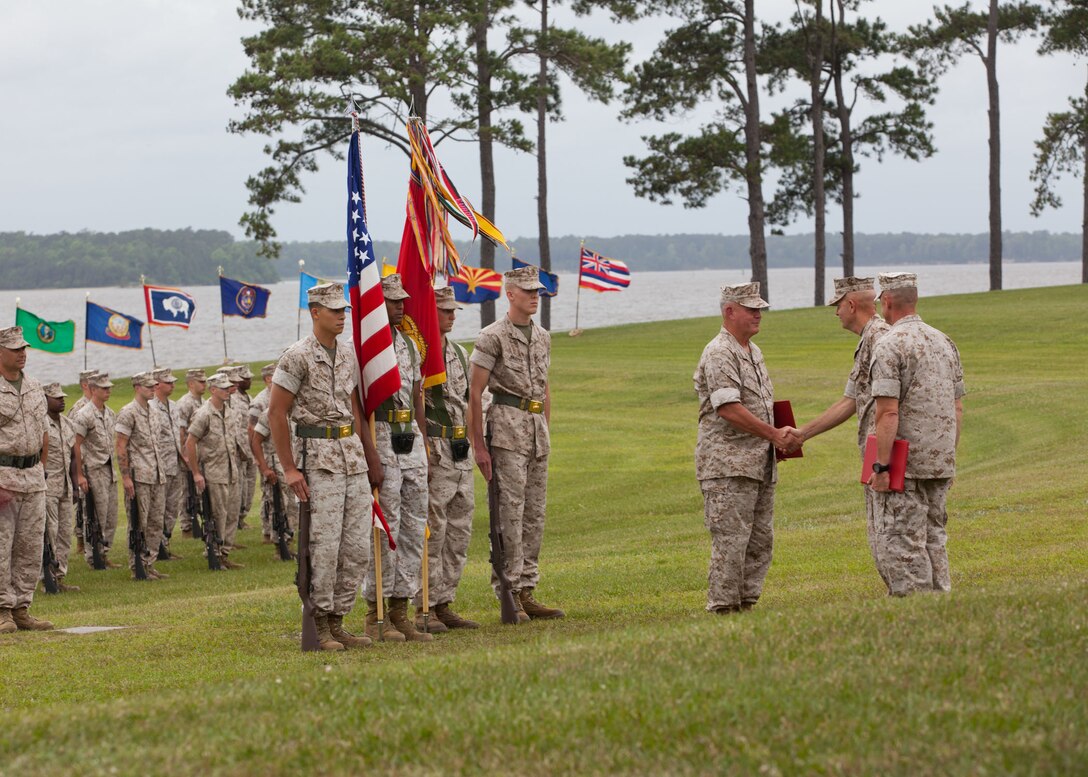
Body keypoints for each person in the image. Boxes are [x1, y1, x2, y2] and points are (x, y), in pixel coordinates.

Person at [269, 281, 383, 651]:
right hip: (316, 459)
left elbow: (354, 407)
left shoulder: (348, 354)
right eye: (334, 310)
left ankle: (338, 620)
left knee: (356, 546)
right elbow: (276, 413)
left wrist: (370, 455)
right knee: (324, 545)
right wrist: (288, 468)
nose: (341, 316)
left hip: (350, 457)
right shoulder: (296, 356)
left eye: (344, 310)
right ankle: (317, 623)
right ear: (314, 312)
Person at [693, 282, 800, 615]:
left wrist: (776, 439)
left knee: (759, 540)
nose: (758, 315)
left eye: (760, 309)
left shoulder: (753, 351)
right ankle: (724, 608)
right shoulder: (719, 351)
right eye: (751, 309)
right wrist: (774, 434)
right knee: (731, 541)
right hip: (728, 464)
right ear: (729, 311)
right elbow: (728, 408)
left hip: (758, 464)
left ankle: (747, 603)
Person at [469, 266, 564, 622]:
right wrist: (479, 447)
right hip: (506, 430)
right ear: (509, 294)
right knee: (508, 514)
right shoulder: (491, 336)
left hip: (536, 432)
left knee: (534, 515)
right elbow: (475, 393)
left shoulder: (542, 336)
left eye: (537, 291)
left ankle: (527, 589)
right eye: (527, 291)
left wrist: (546, 427)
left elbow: (544, 387)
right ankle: (508, 592)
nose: (534, 296)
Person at [867, 272, 966, 596]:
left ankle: (915, 606)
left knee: (903, 538)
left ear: (887, 301)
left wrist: (880, 466)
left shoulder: (889, 345)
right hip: (940, 459)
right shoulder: (944, 341)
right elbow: (958, 408)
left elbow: (887, 411)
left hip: (904, 463)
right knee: (934, 535)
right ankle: (941, 600)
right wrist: (948, 455)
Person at [794, 276, 891, 584]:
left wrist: (882, 461)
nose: (836, 313)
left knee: (889, 530)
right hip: (875, 448)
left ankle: (908, 597)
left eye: (837, 306)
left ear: (850, 304)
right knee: (879, 529)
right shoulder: (868, 341)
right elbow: (850, 401)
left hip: (886, 449)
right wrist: (802, 434)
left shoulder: (881, 340)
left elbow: (889, 408)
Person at [362, 273, 432, 642]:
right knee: (384, 529)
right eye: (391, 300)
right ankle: (377, 612)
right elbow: (361, 407)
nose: (400, 305)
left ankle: (401, 609)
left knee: (412, 525)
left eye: (402, 299)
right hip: (383, 438)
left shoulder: (409, 345)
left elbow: (417, 397)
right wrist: (370, 452)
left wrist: (425, 446)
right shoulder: (367, 348)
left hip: (411, 442)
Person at [421, 286, 479, 630]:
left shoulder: (458, 353)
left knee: (459, 531)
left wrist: (473, 443)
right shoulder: (422, 353)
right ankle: (424, 604)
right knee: (435, 530)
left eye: (454, 310)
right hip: (437, 450)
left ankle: (445, 602)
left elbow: (469, 403)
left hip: (460, 452)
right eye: (445, 310)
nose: (451, 316)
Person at [0, 326, 52, 632]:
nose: (23, 354)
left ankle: (21, 607)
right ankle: (2, 609)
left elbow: (43, 430)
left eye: (24, 348)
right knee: (2, 546)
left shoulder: (33, 386)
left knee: (30, 546)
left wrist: (41, 468)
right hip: (3, 478)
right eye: (16, 349)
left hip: (33, 478)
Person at [185, 372, 244, 570]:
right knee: (218, 515)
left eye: (229, 387)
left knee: (232, 514)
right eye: (224, 388)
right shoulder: (203, 414)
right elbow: (190, 442)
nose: (228, 391)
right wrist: (196, 473)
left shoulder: (230, 411)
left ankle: (225, 552)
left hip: (231, 471)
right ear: (212, 390)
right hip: (213, 471)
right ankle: (215, 553)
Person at [115, 372, 168, 580]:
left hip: (157, 474)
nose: (153, 390)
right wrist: (126, 477)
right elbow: (121, 446)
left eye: (154, 386)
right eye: (148, 387)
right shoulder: (128, 412)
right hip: (139, 476)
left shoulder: (154, 412)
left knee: (156, 521)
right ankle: (136, 565)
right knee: (139, 523)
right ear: (137, 387)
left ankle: (150, 563)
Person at [72, 373, 120, 569]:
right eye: (103, 388)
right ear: (92, 390)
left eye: (109, 387)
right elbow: (75, 445)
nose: (108, 390)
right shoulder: (84, 414)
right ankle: (93, 556)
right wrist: (80, 475)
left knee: (111, 514)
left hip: (109, 469)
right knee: (95, 514)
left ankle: (104, 552)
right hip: (93, 469)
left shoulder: (109, 413)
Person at [43, 382, 79, 593]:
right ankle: (47, 576)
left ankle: (60, 576)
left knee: (65, 533)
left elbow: (74, 456)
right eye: (56, 397)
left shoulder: (67, 424)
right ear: (45, 400)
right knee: (50, 533)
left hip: (65, 487)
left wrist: (75, 484)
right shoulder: (41, 424)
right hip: (48, 487)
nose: (62, 400)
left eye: (62, 397)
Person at [150, 367, 184, 560]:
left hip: (176, 463)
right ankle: (157, 547)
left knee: (172, 507)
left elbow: (178, 433)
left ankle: (165, 542)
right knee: (159, 508)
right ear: (157, 385)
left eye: (173, 382)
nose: (172, 385)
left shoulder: (173, 406)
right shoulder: (152, 408)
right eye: (168, 382)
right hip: (161, 466)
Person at [174, 368, 206, 536]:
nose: (204, 384)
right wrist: (185, 455)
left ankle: (197, 522)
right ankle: (187, 527)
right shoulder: (185, 403)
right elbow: (181, 431)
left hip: (199, 454)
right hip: (188, 455)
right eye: (201, 382)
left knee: (197, 491)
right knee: (187, 492)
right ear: (191, 383)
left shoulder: (202, 401)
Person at [248, 362, 276, 544]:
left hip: (279, 455)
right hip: (266, 454)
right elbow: (252, 431)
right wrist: (259, 461)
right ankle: (268, 531)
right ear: (268, 379)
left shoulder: (278, 397)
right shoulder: (260, 401)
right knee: (268, 496)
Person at [230, 365, 256, 531]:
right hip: (239, 452)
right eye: (245, 379)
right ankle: (237, 519)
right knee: (239, 487)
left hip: (250, 449)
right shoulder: (233, 400)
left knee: (249, 486)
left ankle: (242, 516)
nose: (248, 381)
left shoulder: (248, 398)